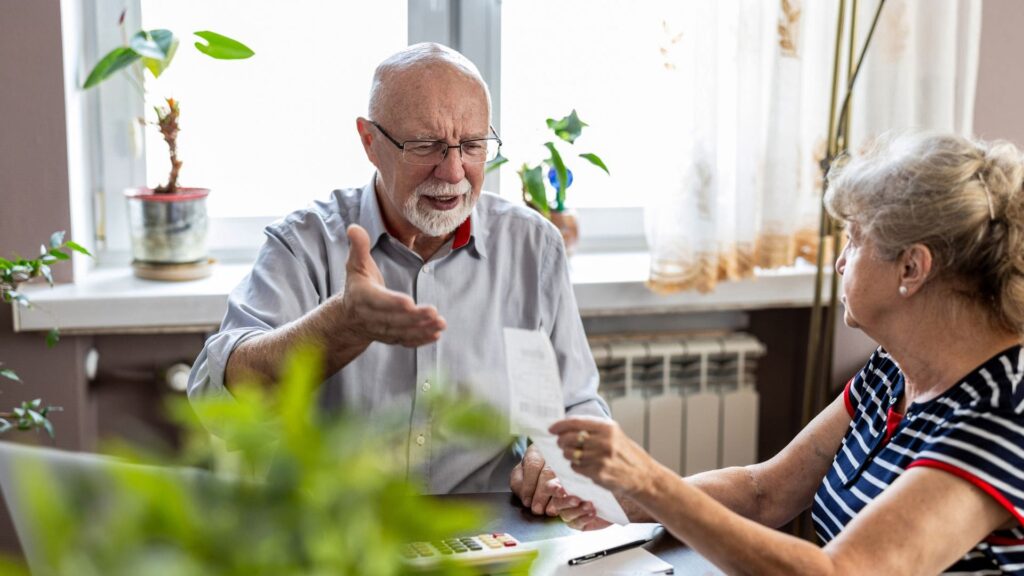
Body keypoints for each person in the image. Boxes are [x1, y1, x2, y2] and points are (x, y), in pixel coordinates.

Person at [549, 132, 1024, 574]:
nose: (840, 260)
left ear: (912, 267)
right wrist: (612, 499)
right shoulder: (895, 370)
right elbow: (764, 492)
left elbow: (844, 572)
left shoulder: (1003, 415)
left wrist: (649, 481)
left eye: (855, 239)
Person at [187, 42, 609, 506]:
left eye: (472, 146)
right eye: (425, 145)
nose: (453, 172)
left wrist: (560, 461)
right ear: (370, 142)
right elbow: (216, 399)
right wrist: (342, 324)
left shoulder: (534, 247)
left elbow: (578, 406)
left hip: (489, 533)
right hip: (337, 535)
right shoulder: (304, 243)